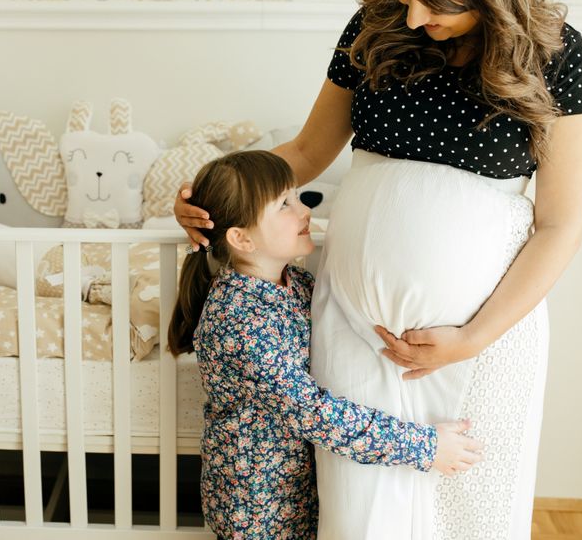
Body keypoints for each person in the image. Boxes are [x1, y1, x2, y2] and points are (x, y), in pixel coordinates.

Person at [175, 0, 582, 538]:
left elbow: (561, 225)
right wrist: (220, 194)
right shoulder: (376, 27)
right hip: (356, 325)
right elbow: (307, 152)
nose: (415, 17)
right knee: (359, 513)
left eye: (437, 4)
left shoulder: (558, 56)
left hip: (484, 338)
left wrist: (474, 336)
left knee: (472, 513)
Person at [169, 150, 484, 540]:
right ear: (241, 238)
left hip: (300, 491)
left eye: (298, 197)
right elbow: (315, 413)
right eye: (285, 204)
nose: (304, 211)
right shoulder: (239, 321)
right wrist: (425, 447)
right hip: (256, 509)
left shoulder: (296, 284)